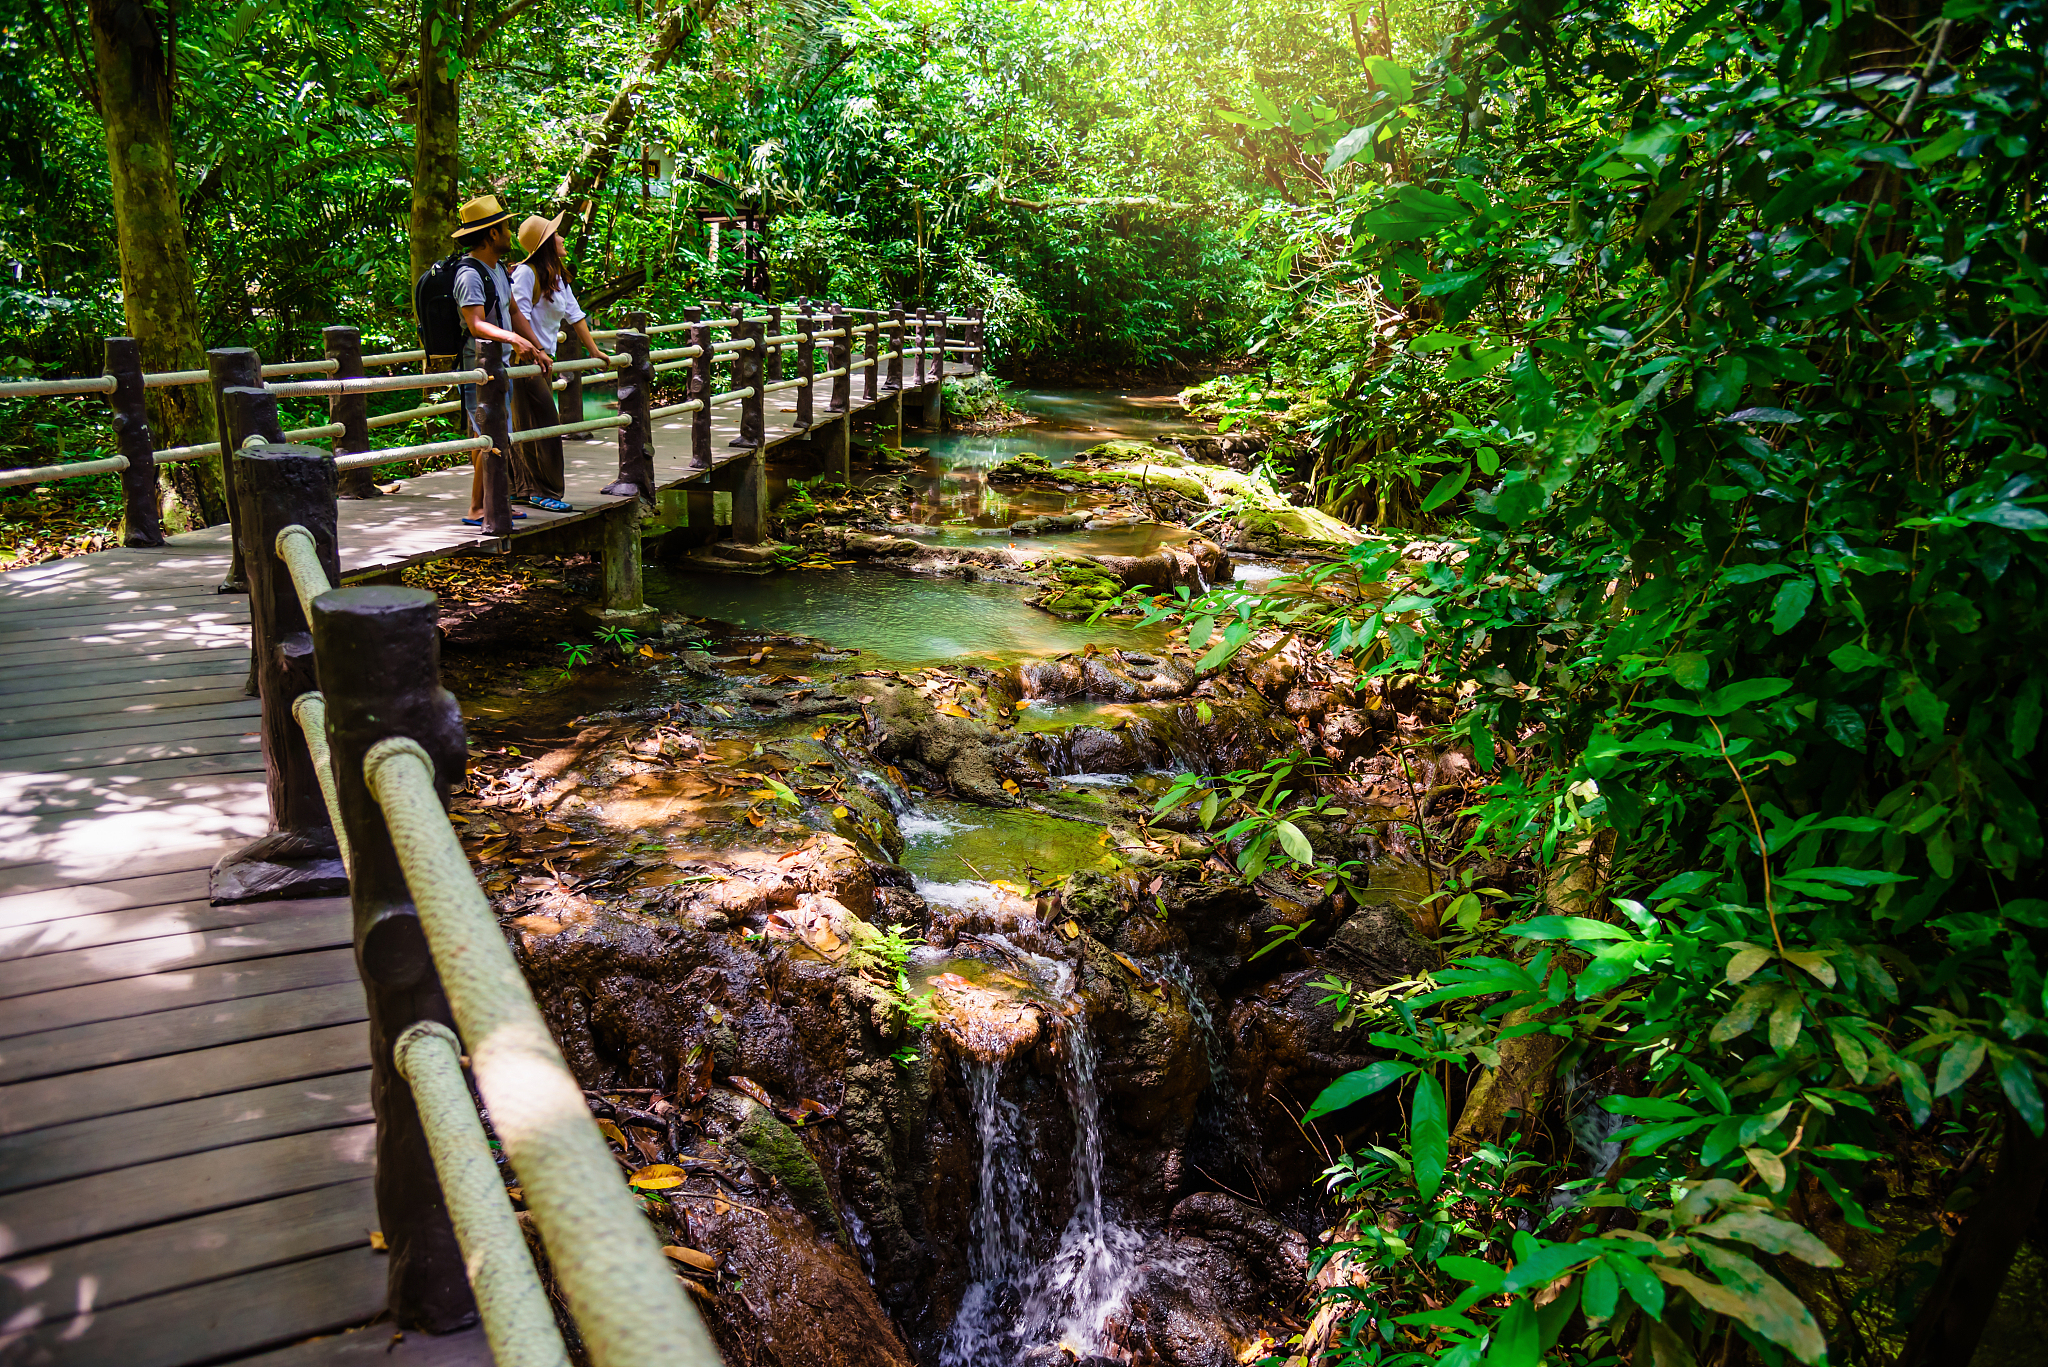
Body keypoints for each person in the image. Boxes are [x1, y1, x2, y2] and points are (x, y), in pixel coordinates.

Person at [448, 195, 552, 526]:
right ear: (492, 234)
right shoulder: (469, 275)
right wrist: (514, 340)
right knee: (490, 434)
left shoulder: (498, 270)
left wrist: (536, 346)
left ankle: (490, 502)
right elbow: (476, 324)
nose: (510, 234)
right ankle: (479, 508)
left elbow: (514, 311)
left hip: (497, 365)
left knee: (489, 434)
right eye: (506, 228)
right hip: (477, 368)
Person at [508, 212, 602, 514]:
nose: (562, 237)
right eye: (556, 234)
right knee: (541, 424)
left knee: (534, 423)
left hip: (543, 362)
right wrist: (536, 350)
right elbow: (518, 317)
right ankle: (540, 491)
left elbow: (575, 315)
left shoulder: (557, 276)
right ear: (547, 242)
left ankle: (522, 488)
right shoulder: (525, 274)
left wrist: (594, 351)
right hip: (525, 361)